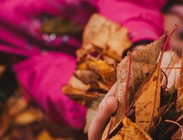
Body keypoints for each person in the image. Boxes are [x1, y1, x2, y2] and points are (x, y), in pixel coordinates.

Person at [0, 0, 166, 129]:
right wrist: (92, 97)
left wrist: (140, 42)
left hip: (148, 40)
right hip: (117, 93)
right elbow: (46, 79)